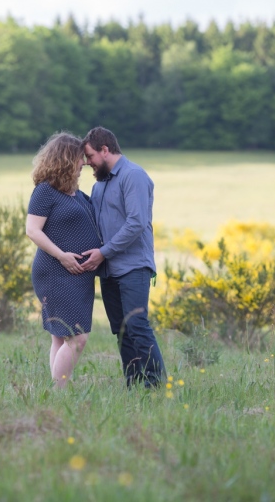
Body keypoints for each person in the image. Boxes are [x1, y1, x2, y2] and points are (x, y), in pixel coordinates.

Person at [81, 126, 166, 388]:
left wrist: (103, 252)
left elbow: (136, 222)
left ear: (105, 150)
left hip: (133, 267)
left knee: (137, 325)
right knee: (120, 330)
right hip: (108, 270)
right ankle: (134, 385)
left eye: (91, 157)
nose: (88, 164)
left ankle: (156, 386)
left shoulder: (134, 176)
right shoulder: (99, 186)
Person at [26, 132, 102, 388]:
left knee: (61, 338)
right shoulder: (45, 191)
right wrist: (62, 256)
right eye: (80, 158)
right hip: (55, 272)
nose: (84, 163)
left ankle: (56, 393)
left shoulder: (75, 193)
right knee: (78, 338)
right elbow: (32, 230)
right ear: (66, 159)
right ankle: (59, 390)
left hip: (78, 276)